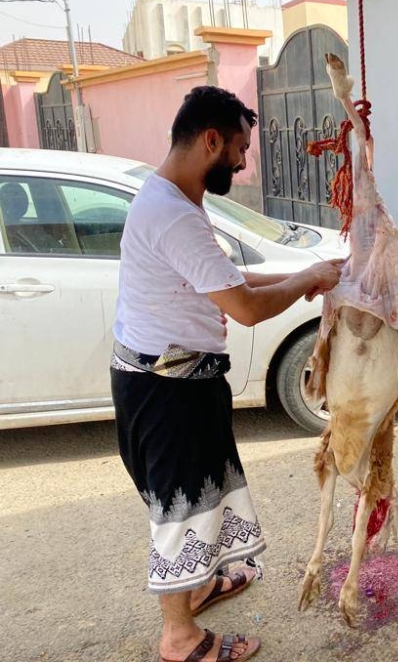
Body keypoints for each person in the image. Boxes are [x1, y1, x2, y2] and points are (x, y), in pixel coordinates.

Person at [111, 86, 342, 662]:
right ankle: (179, 638)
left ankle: (199, 587)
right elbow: (245, 307)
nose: (242, 163)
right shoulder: (173, 214)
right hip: (167, 392)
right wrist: (306, 282)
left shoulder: (173, 201)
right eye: (239, 149)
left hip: (175, 382)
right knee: (182, 508)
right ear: (211, 140)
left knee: (202, 501)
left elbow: (226, 280)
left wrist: (307, 272)